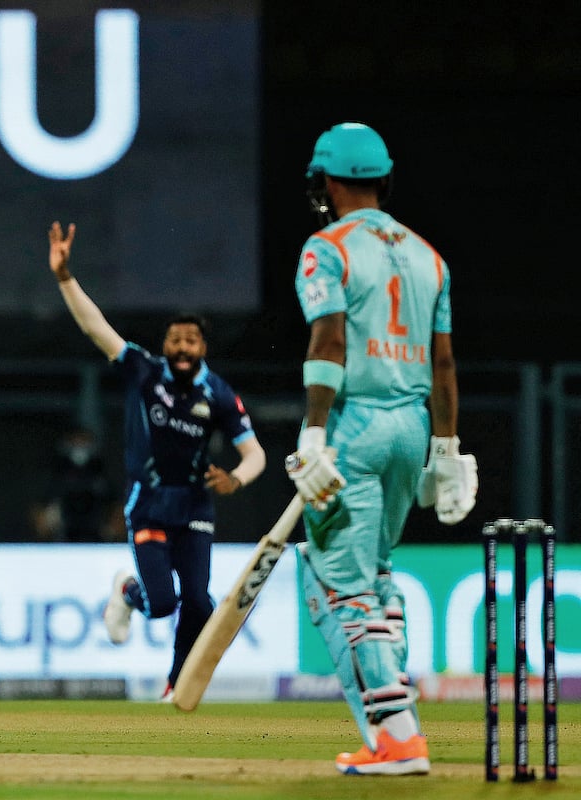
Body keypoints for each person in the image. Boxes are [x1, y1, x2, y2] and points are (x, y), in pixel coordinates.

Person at [286, 121, 477, 775]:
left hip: (355, 424)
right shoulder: (430, 256)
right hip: (412, 428)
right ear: (383, 179)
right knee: (377, 573)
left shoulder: (326, 248)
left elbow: (329, 341)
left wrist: (314, 432)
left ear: (326, 181)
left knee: (338, 584)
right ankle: (394, 728)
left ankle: (397, 737)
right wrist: (446, 451)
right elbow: (443, 366)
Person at [47, 221, 267, 700]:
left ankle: (176, 685)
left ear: (203, 348)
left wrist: (236, 479)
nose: (182, 348)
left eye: (192, 341)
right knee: (163, 603)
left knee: (199, 602)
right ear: (165, 344)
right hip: (148, 504)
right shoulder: (144, 371)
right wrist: (64, 277)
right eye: (175, 340)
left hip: (195, 508)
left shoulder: (219, 394)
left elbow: (255, 455)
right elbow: (95, 327)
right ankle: (129, 592)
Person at [29, 426, 118, 543]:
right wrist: (46, 527)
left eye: (83, 440)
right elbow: (39, 508)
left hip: (96, 534)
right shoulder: (57, 472)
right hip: (62, 535)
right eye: (76, 440)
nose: (80, 445)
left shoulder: (100, 473)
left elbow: (116, 506)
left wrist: (111, 529)